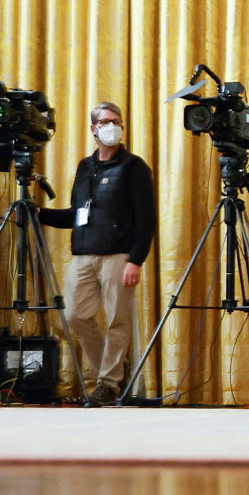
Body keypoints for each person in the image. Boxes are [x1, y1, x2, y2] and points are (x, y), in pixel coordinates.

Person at [39, 103, 154, 405]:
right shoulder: (84, 167)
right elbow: (77, 214)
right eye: (104, 121)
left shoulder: (134, 167)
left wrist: (136, 259)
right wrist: (39, 214)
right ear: (93, 128)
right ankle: (115, 368)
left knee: (118, 320)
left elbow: (146, 218)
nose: (111, 126)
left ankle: (108, 383)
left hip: (119, 255)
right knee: (74, 315)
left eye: (116, 122)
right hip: (84, 253)